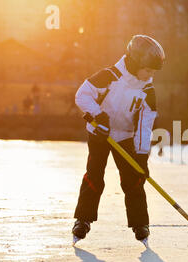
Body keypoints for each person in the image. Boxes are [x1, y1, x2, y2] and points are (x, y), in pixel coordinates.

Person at [72, 35, 165, 244]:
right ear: (135, 62)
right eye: (148, 70)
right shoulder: (110, 76)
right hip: (99, 133)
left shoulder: (147, 90)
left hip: (125, 137)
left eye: (153, 72)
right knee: (94, 175)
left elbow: (145, 125)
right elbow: (82, 95)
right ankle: (83, 219)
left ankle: (140, 223)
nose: (150, 75)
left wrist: (142, 156)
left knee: (134, 178)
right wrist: (98, 115)